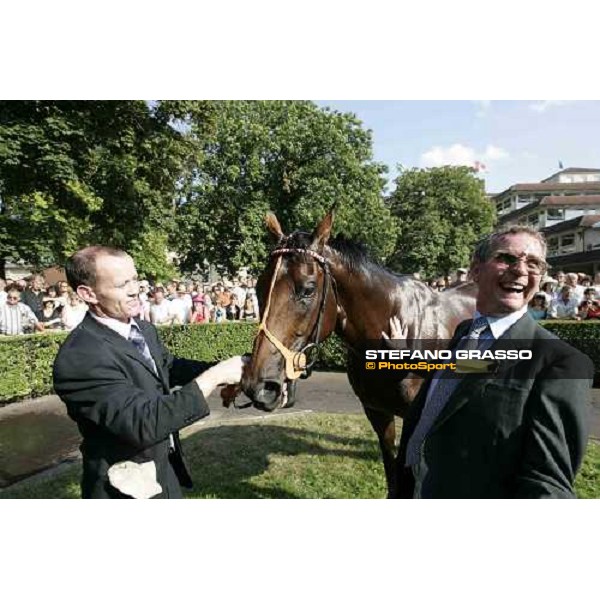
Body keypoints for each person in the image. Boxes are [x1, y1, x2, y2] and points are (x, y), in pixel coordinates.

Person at [393, 225, 593, 498]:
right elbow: (457, 376)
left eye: (533, 263)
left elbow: (548, 484)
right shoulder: (465, 332)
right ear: (476, 269)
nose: (521, 270)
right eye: (507, 258)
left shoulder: (562, 363)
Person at [52, 246, 245, 499]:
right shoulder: (80, 357)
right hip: (123, 489)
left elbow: (168, 368)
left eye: (134, 278)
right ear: (88, 293)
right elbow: (144, 423)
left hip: (164, 473)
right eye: (122, 284)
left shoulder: (143, 329)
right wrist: (216, 376)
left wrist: (238, 368)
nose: (136, 289)